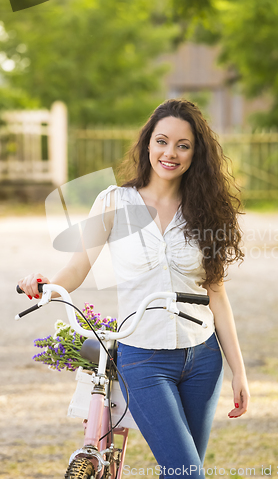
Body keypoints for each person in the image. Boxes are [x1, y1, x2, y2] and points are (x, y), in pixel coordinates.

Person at [18, 99, 250, 478]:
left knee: (177, 472)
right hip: (144, 359)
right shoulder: (113, 202)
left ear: (196, 152)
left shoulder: (207, 210)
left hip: (204, 359)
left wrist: (239, 371)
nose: (170, 153)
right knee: (187, 474)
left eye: (183, 145)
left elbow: (216, 294)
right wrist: (45, 286)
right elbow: (78, 267)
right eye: (162, 141)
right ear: (147, 144)